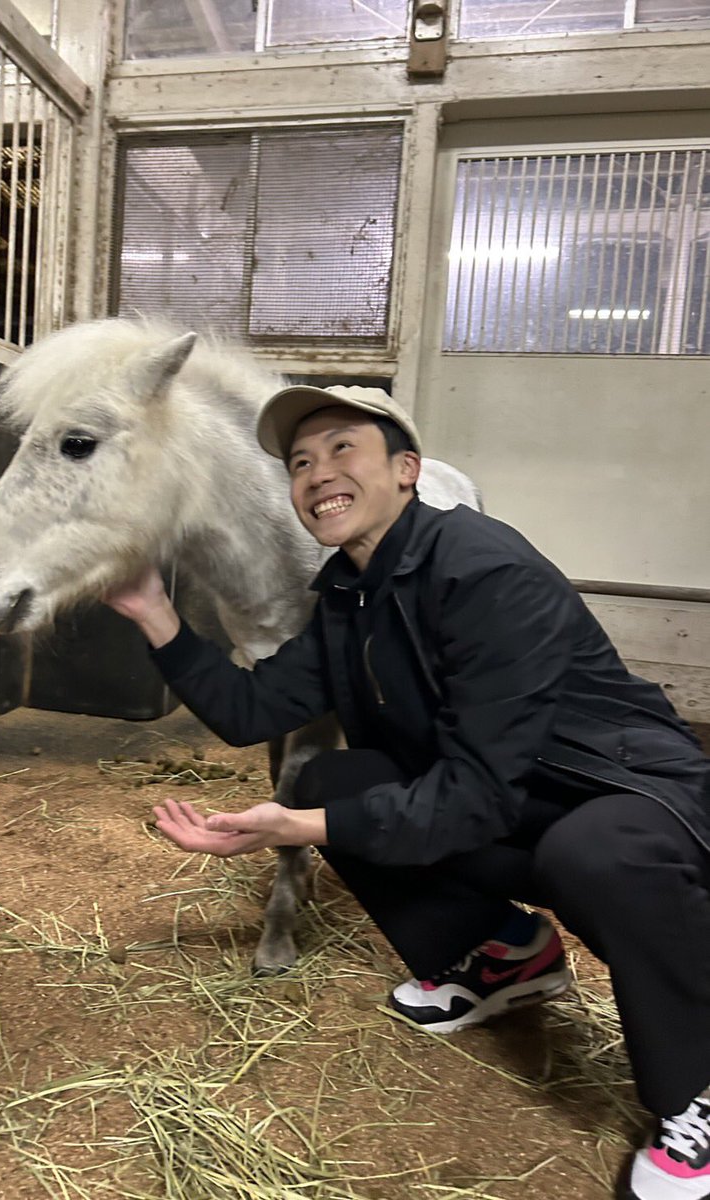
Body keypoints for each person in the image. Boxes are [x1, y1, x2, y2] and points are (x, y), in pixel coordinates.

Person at [103, 383, 710, 1200]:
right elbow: (252, 710)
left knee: (591, 854)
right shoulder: (348, 595)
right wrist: (152, 611)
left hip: (625, 792)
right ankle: (509, 955)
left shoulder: (484, 570)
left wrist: (299, 827)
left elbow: (474, 795)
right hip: (511, 798)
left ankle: (695, 1087)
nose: (318, 473)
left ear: (407, 470)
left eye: (342, 449)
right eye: (300, 463)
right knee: (332, 779)